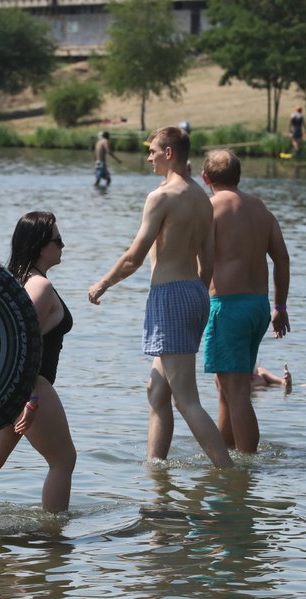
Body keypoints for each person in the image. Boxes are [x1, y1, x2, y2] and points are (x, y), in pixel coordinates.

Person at [88, 127, 233, 468]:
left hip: (170, 296)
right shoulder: (201, 196)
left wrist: (102, 284)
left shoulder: (163, 197)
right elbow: (208, 262)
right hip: (195, 292)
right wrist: (194, 295)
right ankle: (156, 471)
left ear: (169, 153)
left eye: (153, 150)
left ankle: (229, 475)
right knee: (156, 390)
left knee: (187, 400)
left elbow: (134, 258)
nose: (149, 156)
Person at [0, 211, 78, 511]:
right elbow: (20, 345)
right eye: (58, 240)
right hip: (31, 385)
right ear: (41, 245)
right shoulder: (40, 286)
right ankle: (53, 539)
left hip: (3, 387)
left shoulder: (13, 280)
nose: (63, 245)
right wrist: (30, 399)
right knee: (63, 460)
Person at [200, 149, 290, 454]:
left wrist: (194, 301)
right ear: (238, 176)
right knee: (224, 387)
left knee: (236, 390)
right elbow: (282, 257)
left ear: (205, 178)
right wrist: (280, 306)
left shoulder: (210, 208)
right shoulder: (261, 209)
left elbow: (203, 263)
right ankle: (226, 454)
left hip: (228, 306)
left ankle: (246, 467)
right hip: (258, 307)